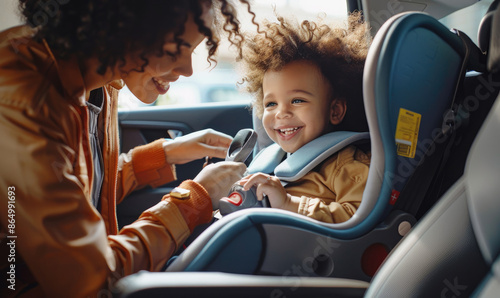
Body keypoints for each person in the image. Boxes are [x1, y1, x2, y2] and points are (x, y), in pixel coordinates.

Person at [0, 1, 254, 297]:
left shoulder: (104, 82)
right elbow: (90, 281)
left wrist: (167, 153)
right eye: (175, 48)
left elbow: (76, 191)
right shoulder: (22, 97)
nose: (187, 69)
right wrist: (193, 200)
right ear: (120, 29)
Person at [234, 12, 372, 223]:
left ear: (334, 111)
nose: (281, 113)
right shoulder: (270, 159)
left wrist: (289, 204)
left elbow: (359, 218)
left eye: (297, 100)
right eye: (271, 104)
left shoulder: (346, 164)